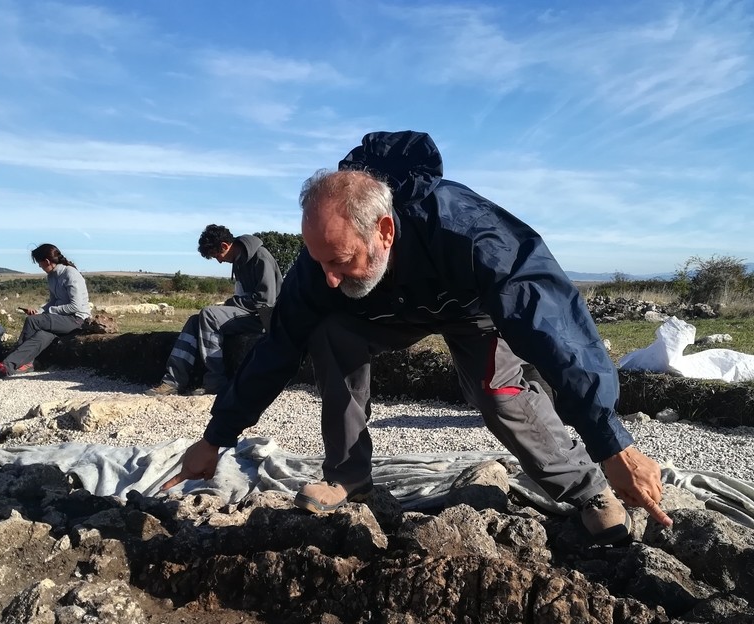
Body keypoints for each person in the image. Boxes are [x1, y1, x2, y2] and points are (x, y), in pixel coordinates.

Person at [162, 131, 671, 545]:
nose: (329, 277)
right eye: (319, 262)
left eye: (341, 260)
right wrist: (216, 438)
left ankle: (588, 490)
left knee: (498, 396)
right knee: (328, 328)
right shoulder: (320, 269)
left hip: (471, 312)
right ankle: (347, 476)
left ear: (383, 230)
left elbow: (551, 323)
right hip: (381, 309)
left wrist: (611, 443)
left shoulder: (468, 232)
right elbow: (276, 348)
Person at [146, 225, 283, 396]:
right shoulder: (239, 260)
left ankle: (216, 382)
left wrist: (231, 303)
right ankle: (173, 381)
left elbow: (265, 300)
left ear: (225, 246)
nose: (218, 261)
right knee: (194, 321)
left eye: (217, 255)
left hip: (264, 318)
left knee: (209, 314)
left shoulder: (261, 257)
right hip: (248, 313)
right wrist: (232, 304)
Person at [0, 243, 90, 377]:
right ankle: (18, 364)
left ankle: (11, 362)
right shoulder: (51, 276)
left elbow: (76, 306)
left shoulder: (71, 274)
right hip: (61, 320)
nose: (39, 266)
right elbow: (53, 301)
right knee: (42, 336)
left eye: (39, 263)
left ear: (47, 261)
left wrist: (49, 311)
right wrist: (39, 311)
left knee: (32, 321)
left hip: (77, 319)